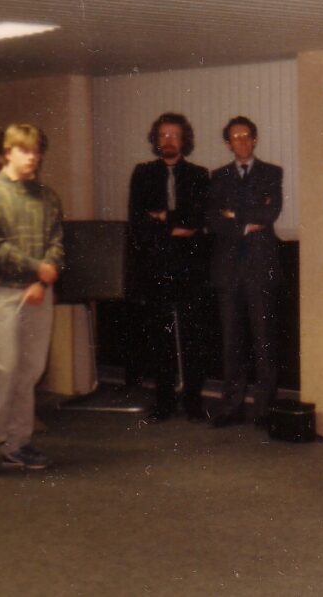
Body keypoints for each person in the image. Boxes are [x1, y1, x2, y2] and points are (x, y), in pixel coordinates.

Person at [0, 123, 64, 480]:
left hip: (40, 293)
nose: (32, 157)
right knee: (3, 370)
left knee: (29, 372)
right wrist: (35, 269)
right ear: (7, 152)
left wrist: (43, 275)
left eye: (36, 151)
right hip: (3, 293)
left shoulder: (47, 195)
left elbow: (56, 240)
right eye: (24, 150)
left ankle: (17, 444)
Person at [126, 113, 210, 423]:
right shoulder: (143, 173)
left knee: (193, 336)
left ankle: (193, 401)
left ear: (184, 139)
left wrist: (163, 219)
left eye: (174, 135)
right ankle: (163, 400)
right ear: (155, 140)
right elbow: (138, 222)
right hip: (156, 266)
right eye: (162, 135)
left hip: (191, 268)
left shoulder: (200, 175)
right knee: (160, 336)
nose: (168, 141)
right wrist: (177, 226)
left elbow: (198, 221)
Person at [207, 117, 284, 427]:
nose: (241, 142)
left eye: (246, 136)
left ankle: (264, 408)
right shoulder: (218, 177)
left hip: (260, 268)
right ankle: (231, 406)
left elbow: (270, 212)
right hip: (228, 272)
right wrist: (246, 222)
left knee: (264, 341)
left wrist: (233, 215)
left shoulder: (272, 173)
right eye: (235, 137)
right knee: (231, 342)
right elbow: (212, 220)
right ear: (228, 143)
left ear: (254, 140)